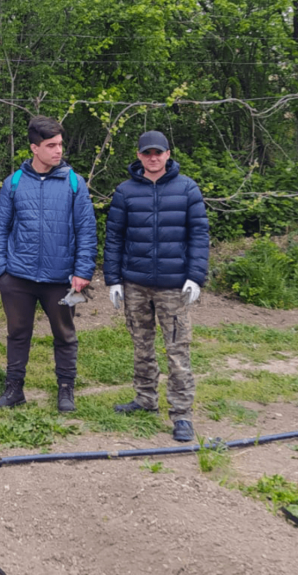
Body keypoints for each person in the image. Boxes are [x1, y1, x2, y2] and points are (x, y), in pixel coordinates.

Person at [104, 130, 209, 442]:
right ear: (139, 156)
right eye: (147, 153)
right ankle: (145, 399)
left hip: (173, 287)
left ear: (167, 154)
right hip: (135, 283)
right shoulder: (124, 192)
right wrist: (113, 279)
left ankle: (181, 414)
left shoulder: (187, 189)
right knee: (141, 345)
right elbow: (114, 238)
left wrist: (195, 276)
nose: (153, 158)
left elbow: (199, 236)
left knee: (177, 351)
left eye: (158, 153)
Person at [0, 115, 97, 412]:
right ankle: (14, 390)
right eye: (51, 145)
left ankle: (65, 390)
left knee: (64, 335)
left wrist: (82, 271)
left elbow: (86, 230)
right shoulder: (14, 183)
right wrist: (1, 270)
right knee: (18, 333)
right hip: (18, 278)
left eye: (60, 144)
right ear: (34, 148)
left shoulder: (74, 183)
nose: (58, 150)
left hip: (60, 278)